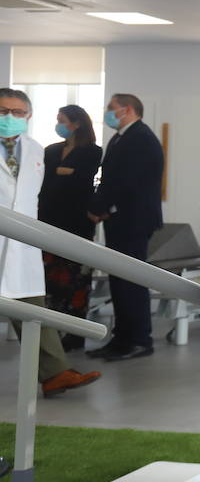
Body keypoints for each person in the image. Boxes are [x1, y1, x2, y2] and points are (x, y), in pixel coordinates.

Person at [0, 89, 101, 397]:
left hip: (23, 242)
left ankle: (55, 373)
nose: (10, 118)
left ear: (28, 117)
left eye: (18, 113)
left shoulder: (34, 149)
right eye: (4, 111)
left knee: (33, 308)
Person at [86, 93, 163, 362]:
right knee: (118, 281)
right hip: (120, 219)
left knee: (131, 280)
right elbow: (111, 180)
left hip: (134, 220)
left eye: (111, 108)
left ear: (127, 110)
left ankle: (140, 340)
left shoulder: (140, 138)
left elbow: (127, 183)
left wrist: (99, 209)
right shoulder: (121, 138)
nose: (108, 112)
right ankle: (121, 338)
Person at [39, 105, 102, 350]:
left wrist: (61, 174)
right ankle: (52, 331)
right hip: (48, 220)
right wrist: (62, 173)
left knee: (76, 278)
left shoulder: (92, 151)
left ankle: (76, 333)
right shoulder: (51, 150)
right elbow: (45, 180)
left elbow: (81, 180)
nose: (59, 124)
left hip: (77, 222)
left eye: (62, 120)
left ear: (76, 123)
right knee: (51, 279)